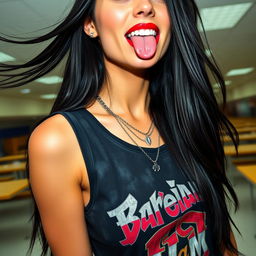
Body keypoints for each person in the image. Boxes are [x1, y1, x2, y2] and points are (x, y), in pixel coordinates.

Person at [0, 0, 240, 255]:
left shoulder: (192, 119)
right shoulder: (59, 141)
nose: (146, 5)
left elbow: (223, 240)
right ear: (90, 24)